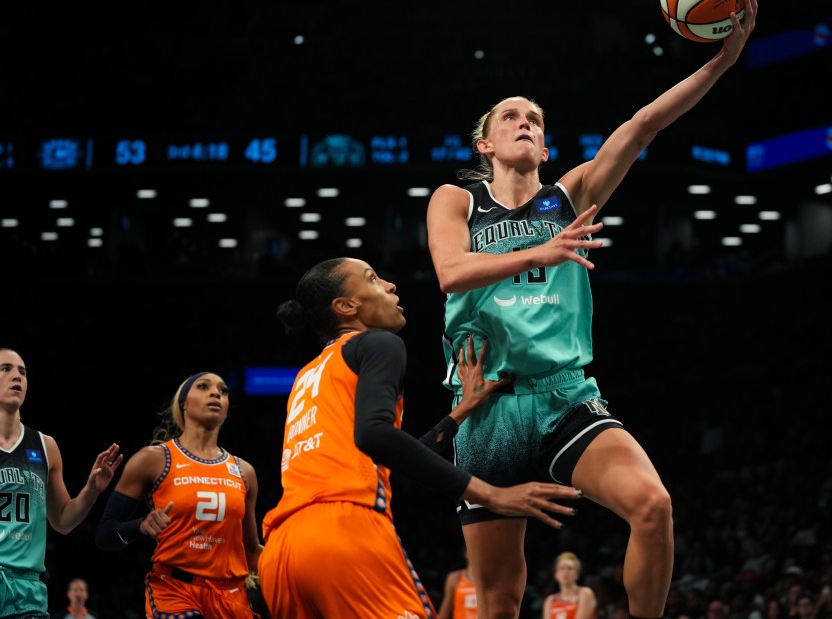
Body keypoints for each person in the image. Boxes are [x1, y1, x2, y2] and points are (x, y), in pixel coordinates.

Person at [424, 0, 758, 619]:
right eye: (511, 118)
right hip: (487, 405)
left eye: (536, 120)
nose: (526, 124)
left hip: (562, 394)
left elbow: (642, 126)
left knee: (653, 507)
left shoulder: (568, 196)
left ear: (545, 148)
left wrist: (720, 60)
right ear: (485, 146)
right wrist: (540, 254)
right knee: (498, 596)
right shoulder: (458, 200)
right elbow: (450, 272)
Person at [257, 257, 583, 619]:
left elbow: (391, 456)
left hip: (282, 547)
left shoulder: (309, 373)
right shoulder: (377, 344)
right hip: (344, 533)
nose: (391, 285)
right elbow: (374, 435)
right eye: (373, 279)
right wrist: (489, 492)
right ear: (346, 307)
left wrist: (461, 412)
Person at [94, 371, 263, 619]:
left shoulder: (244, 471)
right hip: (175, 590)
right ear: (184, 403)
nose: (216, 393)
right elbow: (105, 535)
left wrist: (292, 561)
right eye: (204, 387)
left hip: (231, 597)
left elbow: (250, 552)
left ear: (227, 410)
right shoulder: (153, 459)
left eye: (223, 391)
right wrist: (140, 525)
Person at [0, 348, 122, 619]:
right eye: (5, 369)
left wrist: (91, 490)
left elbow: (63, 521)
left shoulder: (46, 446)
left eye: (22, 372)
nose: (16, 377)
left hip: (26, 591)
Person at [542, 551, 597, 619]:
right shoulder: (550, 600)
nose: (565, 572)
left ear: (577, 574)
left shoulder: (584, 593)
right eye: (562, 568)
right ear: (556, 574)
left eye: (570, 568)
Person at [439, 545, 478, 619]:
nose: (477, 554)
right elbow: (444, 613)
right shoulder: (455, 578)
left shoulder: (491, 581)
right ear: (466, 553)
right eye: (473, 549)